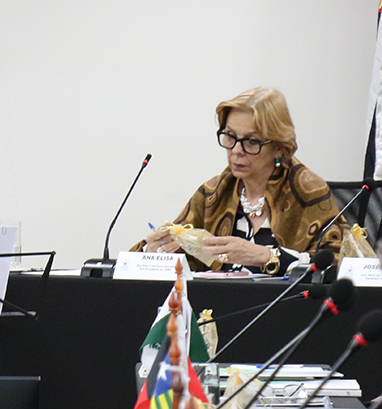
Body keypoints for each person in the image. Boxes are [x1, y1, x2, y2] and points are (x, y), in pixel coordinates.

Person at [139, 87, 343, 275]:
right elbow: (186, 260)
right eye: (230, 137)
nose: (236, 150)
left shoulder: (306, 191)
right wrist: (155, 253)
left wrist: (267, 257)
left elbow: (339, 263)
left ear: (279, 147)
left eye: (251, 141)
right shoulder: (214, 193)